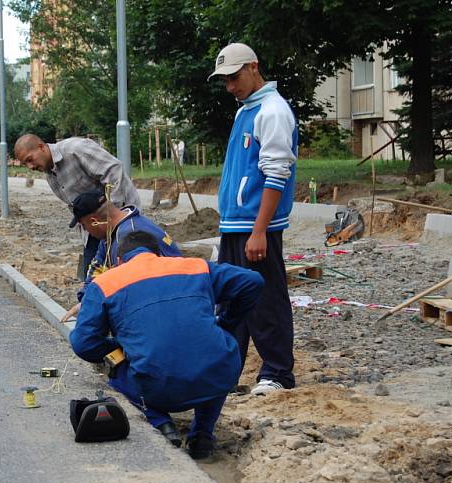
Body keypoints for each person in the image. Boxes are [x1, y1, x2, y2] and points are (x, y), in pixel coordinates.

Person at [69, 231, 264, 457]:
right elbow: (253, 281)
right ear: (159, 254)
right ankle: (202, 435)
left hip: (157, 387)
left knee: (116, 369)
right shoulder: (195, 267)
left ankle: (161, 423)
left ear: (119, 261)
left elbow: (83, 343)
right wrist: (227, 323)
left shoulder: (105, 283)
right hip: (216, 378)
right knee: (217, 351)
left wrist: (119, 347)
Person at [208, 42, 298, 395]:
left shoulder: (272, 111)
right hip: (235, 224)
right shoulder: (246, 109)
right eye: (225, 81)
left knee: (265, 299)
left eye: (234, 77)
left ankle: (278, 373)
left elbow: (278, 173)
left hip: (255, 226)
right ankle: (228, 370)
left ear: (254, 67)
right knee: (231, 299)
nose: (230, 86)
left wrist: (259, 230)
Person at [14, 134, 141, 278]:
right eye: (25, 164)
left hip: (122, 222)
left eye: (30, 159)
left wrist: (114, 216)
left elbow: (113, 171)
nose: (30, 166)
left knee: (126, 273)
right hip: (96, 229)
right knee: (93, 276)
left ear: (41, 147)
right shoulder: (50, 173)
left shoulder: (76, 149)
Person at [60, 190, 181, 322]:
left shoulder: (130, 237)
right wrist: (86, 300)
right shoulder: (111, 233)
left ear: (94, 221)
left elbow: (135, 290)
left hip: (170, 303)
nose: (86, 231)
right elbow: (97, 267)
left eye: (84, 226)